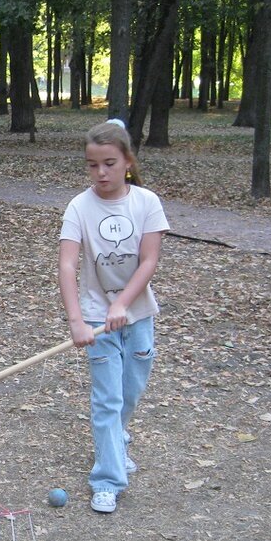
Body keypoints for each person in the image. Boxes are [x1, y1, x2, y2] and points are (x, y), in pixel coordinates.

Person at [58, 119, 170, 513]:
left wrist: (122, 303)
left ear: (126, 162)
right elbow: (68, 265)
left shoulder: (146, 202)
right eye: (92, 165)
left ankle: (117, 440)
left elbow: (150, 259)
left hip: (139, 314)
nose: (100, 173)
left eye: (108, 163)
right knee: (107, 398)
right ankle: (107, 478)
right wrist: (77, 320)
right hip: (94, 316)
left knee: (130, 392)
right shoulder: (79, 207)